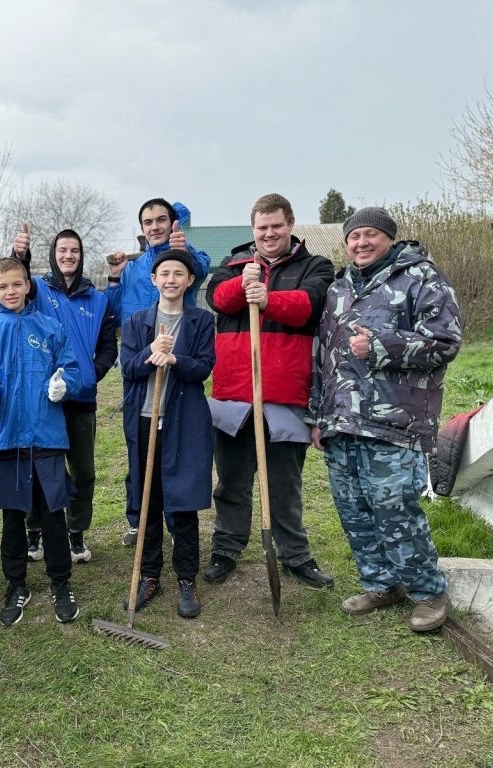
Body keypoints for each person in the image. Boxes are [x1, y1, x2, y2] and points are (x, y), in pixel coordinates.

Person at [311, 207, 462, 631]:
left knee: (394, 507)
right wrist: (317, 414)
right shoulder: (339, 288)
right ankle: (381, 583)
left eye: (371, 235)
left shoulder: (421, 278)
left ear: (389, 239)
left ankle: (428, 592)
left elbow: (446, 342)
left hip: (396, 420)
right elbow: (322, 354)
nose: (361, 242)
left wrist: (380, 346)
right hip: (342, 419)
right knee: (353, 508)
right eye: (354, 236)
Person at [203, 193, 335, 589]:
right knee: (231, 482)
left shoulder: (316, 265)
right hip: (234, 395)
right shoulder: (234, 263)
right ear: (253, 229)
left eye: (276, 226)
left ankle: (295, 555)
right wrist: (243, 286)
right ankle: (226, 549)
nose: (269, 233)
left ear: (291, 225)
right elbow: (216, 299)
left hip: (285, 394)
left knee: (284, 485)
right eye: (262, 227)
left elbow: (311, 305)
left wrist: (268, 299)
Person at [0, 257, 83, 627]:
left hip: (46, 436)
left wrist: (66, 384)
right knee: (12, 517)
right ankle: (16, 584)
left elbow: (74, 371)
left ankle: (61, 582)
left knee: (52, 515)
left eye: (17, 284)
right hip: (5, 439)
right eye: (2, 287)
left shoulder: (50, 327)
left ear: (28, 285)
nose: (11, 291)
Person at [104, 199, 211, 545]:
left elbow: (201, 270)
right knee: (138, 443)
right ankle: (141, 517)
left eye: (160, 219)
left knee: (175, 445)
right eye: (147, 221)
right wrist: (114, 277)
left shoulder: (185, 255)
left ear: (172, 222)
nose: (154, 226)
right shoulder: (136, 268)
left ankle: (174, 515)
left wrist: (187, 251)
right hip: (139, 363)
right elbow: (116, 308)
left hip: (175, 362)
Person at [10, 227, 117, 564]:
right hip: (42, 398)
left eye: (74, 250)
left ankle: (76, 532)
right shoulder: (37, 289)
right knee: (39, 467)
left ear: (81, 255)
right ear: (53, 254)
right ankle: (35, 531)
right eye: (62, 250)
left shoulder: (98, 300)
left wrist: (91, 373)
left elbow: (107, 346)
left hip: (81, 399)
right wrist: (20, 257)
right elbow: (15, 283)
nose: (68, 255)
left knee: (82, 471)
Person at [120, 250, 215, 617]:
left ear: (190, 281)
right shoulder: (138, 322)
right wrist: (150, 351)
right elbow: (128, 369)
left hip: (184, 421)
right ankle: (148, 575)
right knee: (148, 500)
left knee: (184, 498)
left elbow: (204, 369)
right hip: (145, 421)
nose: (171, 279)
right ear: (154, 279)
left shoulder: (201, 321)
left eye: (179, 273)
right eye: (165, 273)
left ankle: (187, 579)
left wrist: (175, 358)